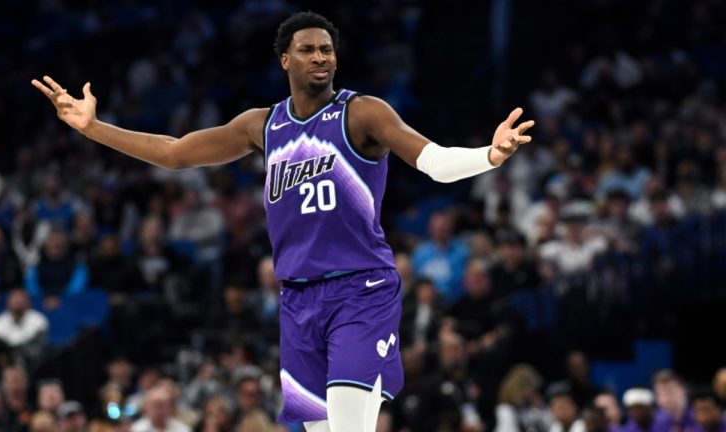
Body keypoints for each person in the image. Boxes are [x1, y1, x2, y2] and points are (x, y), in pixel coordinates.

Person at [32, 11, 534, 432]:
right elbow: (176, 153)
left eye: (328, 50)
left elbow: (437, 162)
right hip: (298, 301)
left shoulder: (362, 114)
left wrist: (490, 155)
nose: (321, 57)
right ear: (285, 60)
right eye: (309, 49)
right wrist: (95, 129)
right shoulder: (261, 125)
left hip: (361, 291)